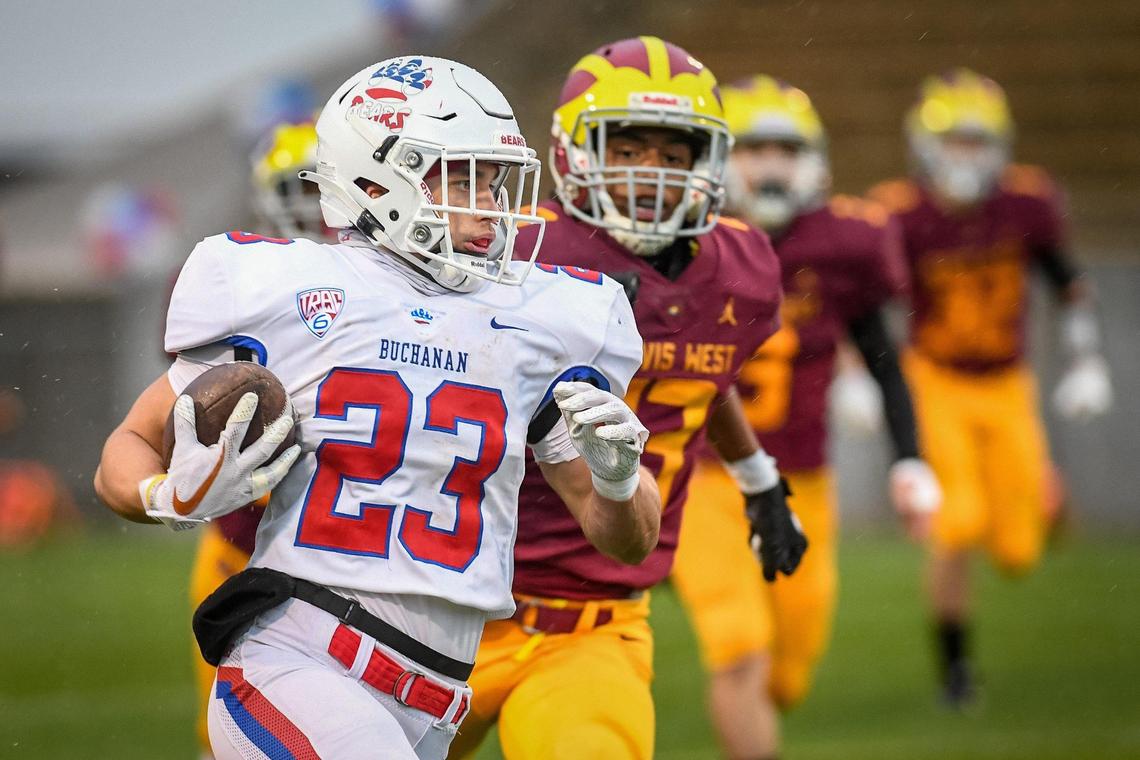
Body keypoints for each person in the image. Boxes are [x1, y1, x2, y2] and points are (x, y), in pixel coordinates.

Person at [94, 55, 664, 760]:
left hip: (438, 696)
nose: (489, 202)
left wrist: (618, 480)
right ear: (373, 179)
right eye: (461, 178)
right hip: (299, 661)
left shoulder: (545, 318)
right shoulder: (292, 292)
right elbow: (128, 445)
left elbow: (628, 540)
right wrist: (164, 496)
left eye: (493, 178)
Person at [448, 38, 807, 760]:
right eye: (629, 148)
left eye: (674, 157)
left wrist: (756, 476)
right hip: (446, 596)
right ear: (576, 151)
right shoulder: (514, 255)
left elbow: (709, 375)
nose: (653, 175)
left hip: (596, 619)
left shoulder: (739, 269)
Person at [669, 75, 942, 760]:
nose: (769, 164)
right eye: (754, 147)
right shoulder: (685, 238)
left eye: (785, 149)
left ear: (812, 159)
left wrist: (908, 457)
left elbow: (884, 360)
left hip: (805, 484)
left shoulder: (846, 242)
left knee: (785, 674)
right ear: (723, 157)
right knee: (737, 650)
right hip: (704, 481)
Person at [868, 68, 1113, 707]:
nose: (967, 157)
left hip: (1007, 384)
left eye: (978, 141)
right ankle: (956, 671)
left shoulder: (1027, 201)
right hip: (937, 380)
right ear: (925, 143)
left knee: (1018, 555)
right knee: (958, 524)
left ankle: (1041, 495)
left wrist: (1088, 360)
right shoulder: (900, 212)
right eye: (955, 141)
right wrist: (854, 378)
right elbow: (856, 302)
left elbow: (1069, 283)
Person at [185, 119, 330, 759]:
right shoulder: (234, 279)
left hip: (339, 558)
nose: (311, 206)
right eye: (296, 187)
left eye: (321, 188)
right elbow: (179, 415)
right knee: (230, 736)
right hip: (238, 547)